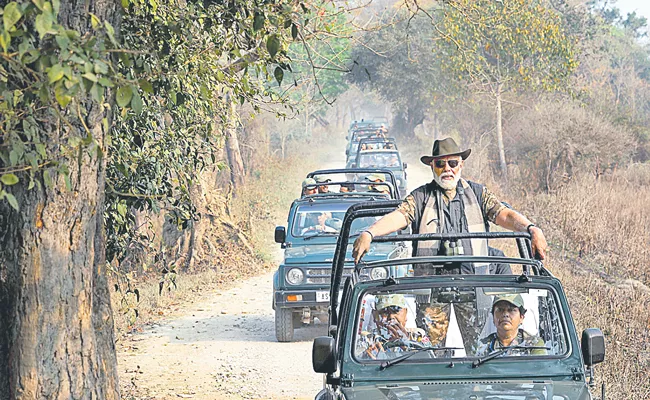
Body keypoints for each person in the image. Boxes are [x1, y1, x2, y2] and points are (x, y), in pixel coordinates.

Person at [353, 137, 548, 274]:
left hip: (474, 281)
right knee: (430, 334)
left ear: (461, 165)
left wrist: (531, 228)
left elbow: (504, 215)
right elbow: (399, 216)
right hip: (431, 285)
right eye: (440, 164)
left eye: (452, 163)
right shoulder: (420, 197)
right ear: (432, 167)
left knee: (479, 333)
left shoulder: (479, 193)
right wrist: (370, 233)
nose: (447, 169)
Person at [358, 294, 429, 359]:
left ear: (405, 313)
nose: (391, 317)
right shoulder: (366, 340)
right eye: (385, 312)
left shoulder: (418, 336)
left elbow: (430, 362)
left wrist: (406, 344)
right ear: (375, 315)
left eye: (396, 311)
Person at [476, 294, 547, 356]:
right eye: (500, 310)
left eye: (511, 310)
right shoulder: (483, 345)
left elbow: (540, 369)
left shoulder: (534, 344)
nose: (505, 314)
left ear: (521, 317)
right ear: (493, 318)